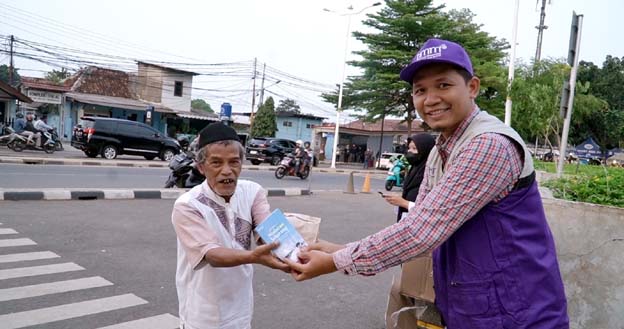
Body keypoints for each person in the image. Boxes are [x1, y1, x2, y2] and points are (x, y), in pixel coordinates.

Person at [285, 38, 569, 328]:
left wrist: (336, 262)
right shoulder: (440, 150)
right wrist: (337, 249)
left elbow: (421, 232)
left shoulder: (489, 145)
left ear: (472, 87)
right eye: (420, 90)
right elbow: (421, 219)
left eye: (443, 85)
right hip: (474, 309)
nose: (430, 99)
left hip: (518, 312)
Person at [171, 122, 289, 329]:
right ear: (201, 166)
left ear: (242, 163)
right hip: (203, 314)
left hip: (241, 311)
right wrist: (254, 257)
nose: (227, 171)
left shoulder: (253, 192)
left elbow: (268, 230)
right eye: (216, 163)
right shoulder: (188, 206)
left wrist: (295, 249)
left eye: (234, 162)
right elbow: (212, 254)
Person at [383, 133, 435, 222]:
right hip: (407, 218)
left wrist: (404, 203)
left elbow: (432, 208)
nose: (410, 152)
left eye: (414, 149)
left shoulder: (431, 173)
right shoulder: (415, 167)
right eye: (409, 148)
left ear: (426, 150)